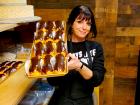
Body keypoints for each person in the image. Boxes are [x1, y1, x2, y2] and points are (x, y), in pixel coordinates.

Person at [47, 5, 106, 105]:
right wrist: (65, 68)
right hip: (61, 100)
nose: (84, 27)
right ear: (71, 23)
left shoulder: (96, 47)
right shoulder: (60, 47)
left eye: (88, 23)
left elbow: (97, 79)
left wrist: (79, 66)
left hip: (85, 101)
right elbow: (52, 81)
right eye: (79, 22)